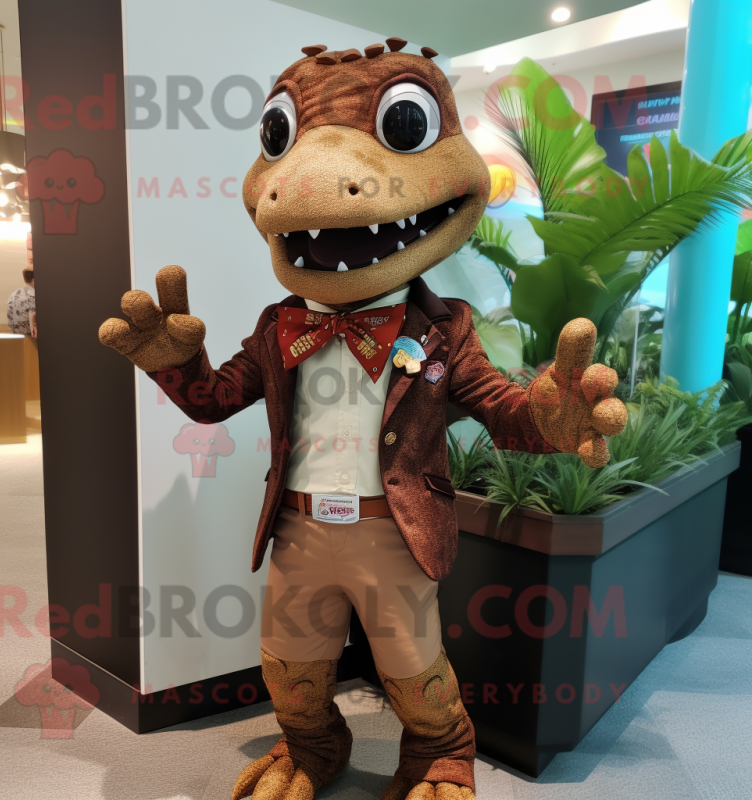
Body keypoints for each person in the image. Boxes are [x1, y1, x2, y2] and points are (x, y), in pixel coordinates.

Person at [100, 42, 627, 800]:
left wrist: (551, 418)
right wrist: (172, 363)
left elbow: (501, 411)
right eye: (280, 138)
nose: (312, 179)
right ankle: (312, 748)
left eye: (404, 125)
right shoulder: (278, 326)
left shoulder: (446, 330)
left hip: (394, 532)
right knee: (291, 669)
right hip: (299, 530)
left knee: (413, 668)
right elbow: (213, 401)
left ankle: (441, 755)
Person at [7, 268, 36, 336]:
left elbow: (9, 314)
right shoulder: (34, 294)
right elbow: (33, 313)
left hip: (16, 334)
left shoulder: (15, 293)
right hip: (33, 334)